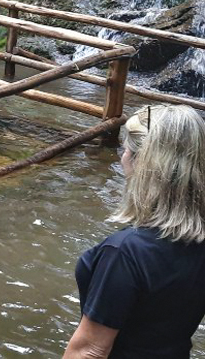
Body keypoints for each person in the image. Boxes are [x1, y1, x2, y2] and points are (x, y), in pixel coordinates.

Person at [64, 105, 205, 358]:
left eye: (127, 148)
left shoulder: (125, 252)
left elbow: (90, 351)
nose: (123, 156)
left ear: (143, 164)